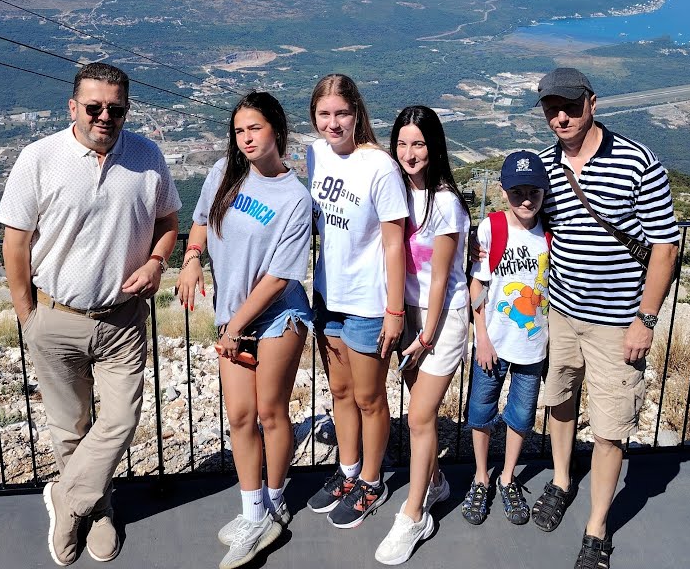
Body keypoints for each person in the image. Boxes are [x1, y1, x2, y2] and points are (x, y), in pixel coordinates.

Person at [0, 61, 181, 567]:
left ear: (126, 110)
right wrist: (27, 315)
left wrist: (157, 261)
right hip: (54, 315)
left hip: (123, 318)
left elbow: (168, 219)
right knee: (70, 427)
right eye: (95, 107)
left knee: (120, 418)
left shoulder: (147, 156)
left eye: (115, 108)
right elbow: (16, 242)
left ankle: (68, 500)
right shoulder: (40, 158)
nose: (105, 116)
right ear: (73, 107)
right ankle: (98, 509)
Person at [530, 67, 680, 569]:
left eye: (569, 105)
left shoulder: (638, 161)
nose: (561, 116)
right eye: (552, 107)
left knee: (612, 425)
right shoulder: (547, 166)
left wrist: (646, 319)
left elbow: (665, 247)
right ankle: (560, 480)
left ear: (592, 102)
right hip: (562, 314)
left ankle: (597, 528)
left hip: (618, 322)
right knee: (560, 401)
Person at [174, 92, 313, 569]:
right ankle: (253, 510)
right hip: (231, 318)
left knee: (271, 413)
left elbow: (279, 277)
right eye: (239, 131)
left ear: (277, 128)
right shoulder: (224, 173)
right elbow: (198, 223)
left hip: (276, 317)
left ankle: (273, 504)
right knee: (239, 416)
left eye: (254, 128)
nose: (246, 138)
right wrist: (192, 259)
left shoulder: (295, 198)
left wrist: (235, 326)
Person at [304, 74, 408, 530]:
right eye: (324, 114)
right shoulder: (314, 155)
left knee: (368, 397)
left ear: (357, 114)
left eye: (341, 113)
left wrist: (395, 309)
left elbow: (393, 243)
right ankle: (347, 471)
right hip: (329, 295)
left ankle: (371, 479)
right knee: (340, 393)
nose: (333, 123)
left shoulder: (379, 167)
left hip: (369, 301)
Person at [374, 106, 471, 565]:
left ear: (434, 149)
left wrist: (427, 334)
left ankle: (415, 514)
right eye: (403, 143)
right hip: (407, 311)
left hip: (442, 317)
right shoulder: (395, 192)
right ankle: (433, 481)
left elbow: (441, 277)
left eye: (419, 143)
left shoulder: (446, 202)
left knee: (418, 415)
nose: (409, 153)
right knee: (421, 414)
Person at [460, 149, 551, 528]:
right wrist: (481, 336)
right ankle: (482, 476)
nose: (526, 199)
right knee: (481, 413)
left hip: (532, 344)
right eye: (517, 192)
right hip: (492, 344)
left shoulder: (551, 232)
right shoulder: (491, 229)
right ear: (503, 192)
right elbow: (477, 283)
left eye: (533, 191)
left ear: (545, 192)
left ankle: (507, 476)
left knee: (521, 415)